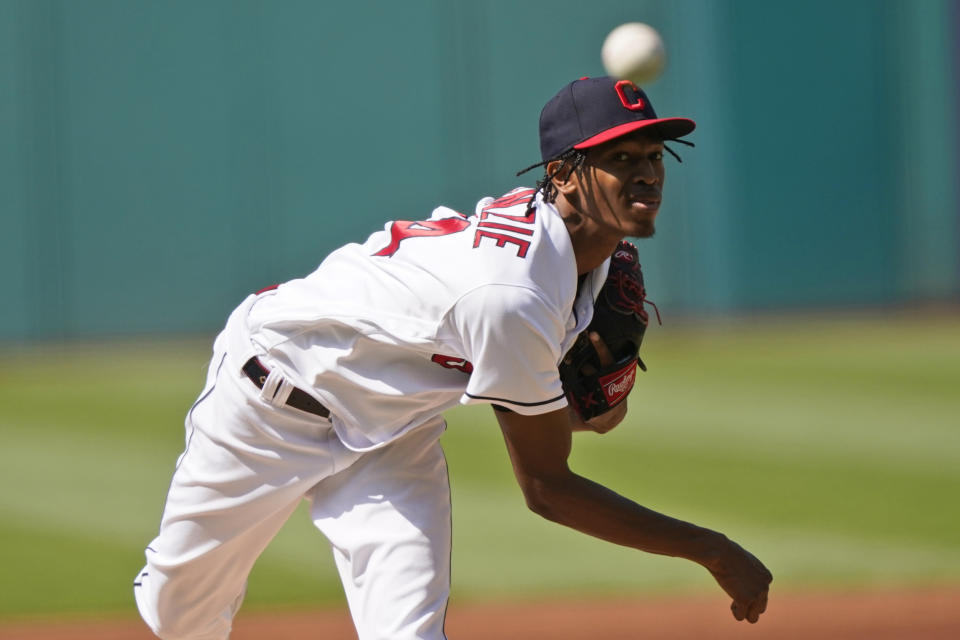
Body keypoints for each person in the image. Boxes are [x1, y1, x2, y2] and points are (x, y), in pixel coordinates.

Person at [134, 75, 772, 640]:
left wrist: (590, 399)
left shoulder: (585, 256)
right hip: (272, 392)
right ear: (562, 173)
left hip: (390, 431)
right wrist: (711, 550)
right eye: (621, 157)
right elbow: (548, 487)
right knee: (180, 620)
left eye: (655, 156)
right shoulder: (512, 295)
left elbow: (574, 413)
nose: (646, 174)